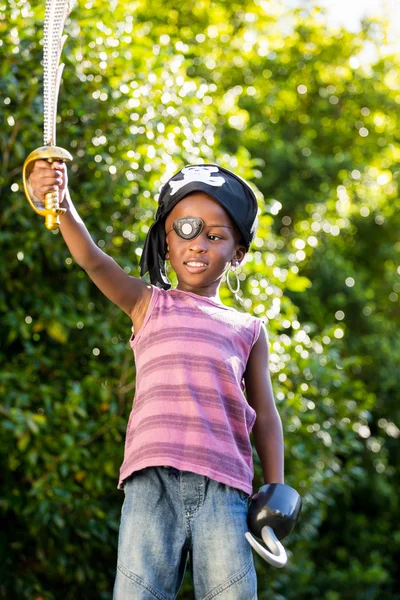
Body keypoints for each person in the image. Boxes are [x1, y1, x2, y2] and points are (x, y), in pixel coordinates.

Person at [28, 161, 284, 600]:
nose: (198, 244)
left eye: (215, 235)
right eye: (184, 229)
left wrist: (277, 487)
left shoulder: (249, 328)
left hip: (225, 488)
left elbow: (265, 416)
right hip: (150, 481)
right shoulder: (148, 304)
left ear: (238, 253)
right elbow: (92, 259)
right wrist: (62, 202)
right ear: (165, 242)